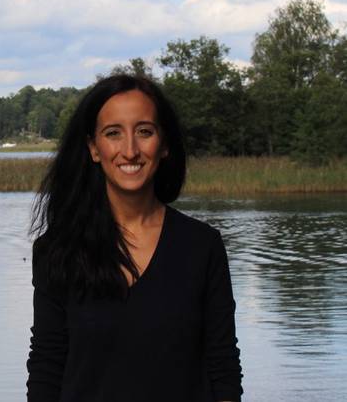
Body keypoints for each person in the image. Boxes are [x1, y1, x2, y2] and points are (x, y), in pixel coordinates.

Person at [26, 74, 242, 401]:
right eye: (113, 133)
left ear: (164, 144)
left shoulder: (202, 246)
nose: (130, 150)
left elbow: (223, 367)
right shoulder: (56, 250)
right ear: (93, 148)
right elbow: (46, 367)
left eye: (144, 132)